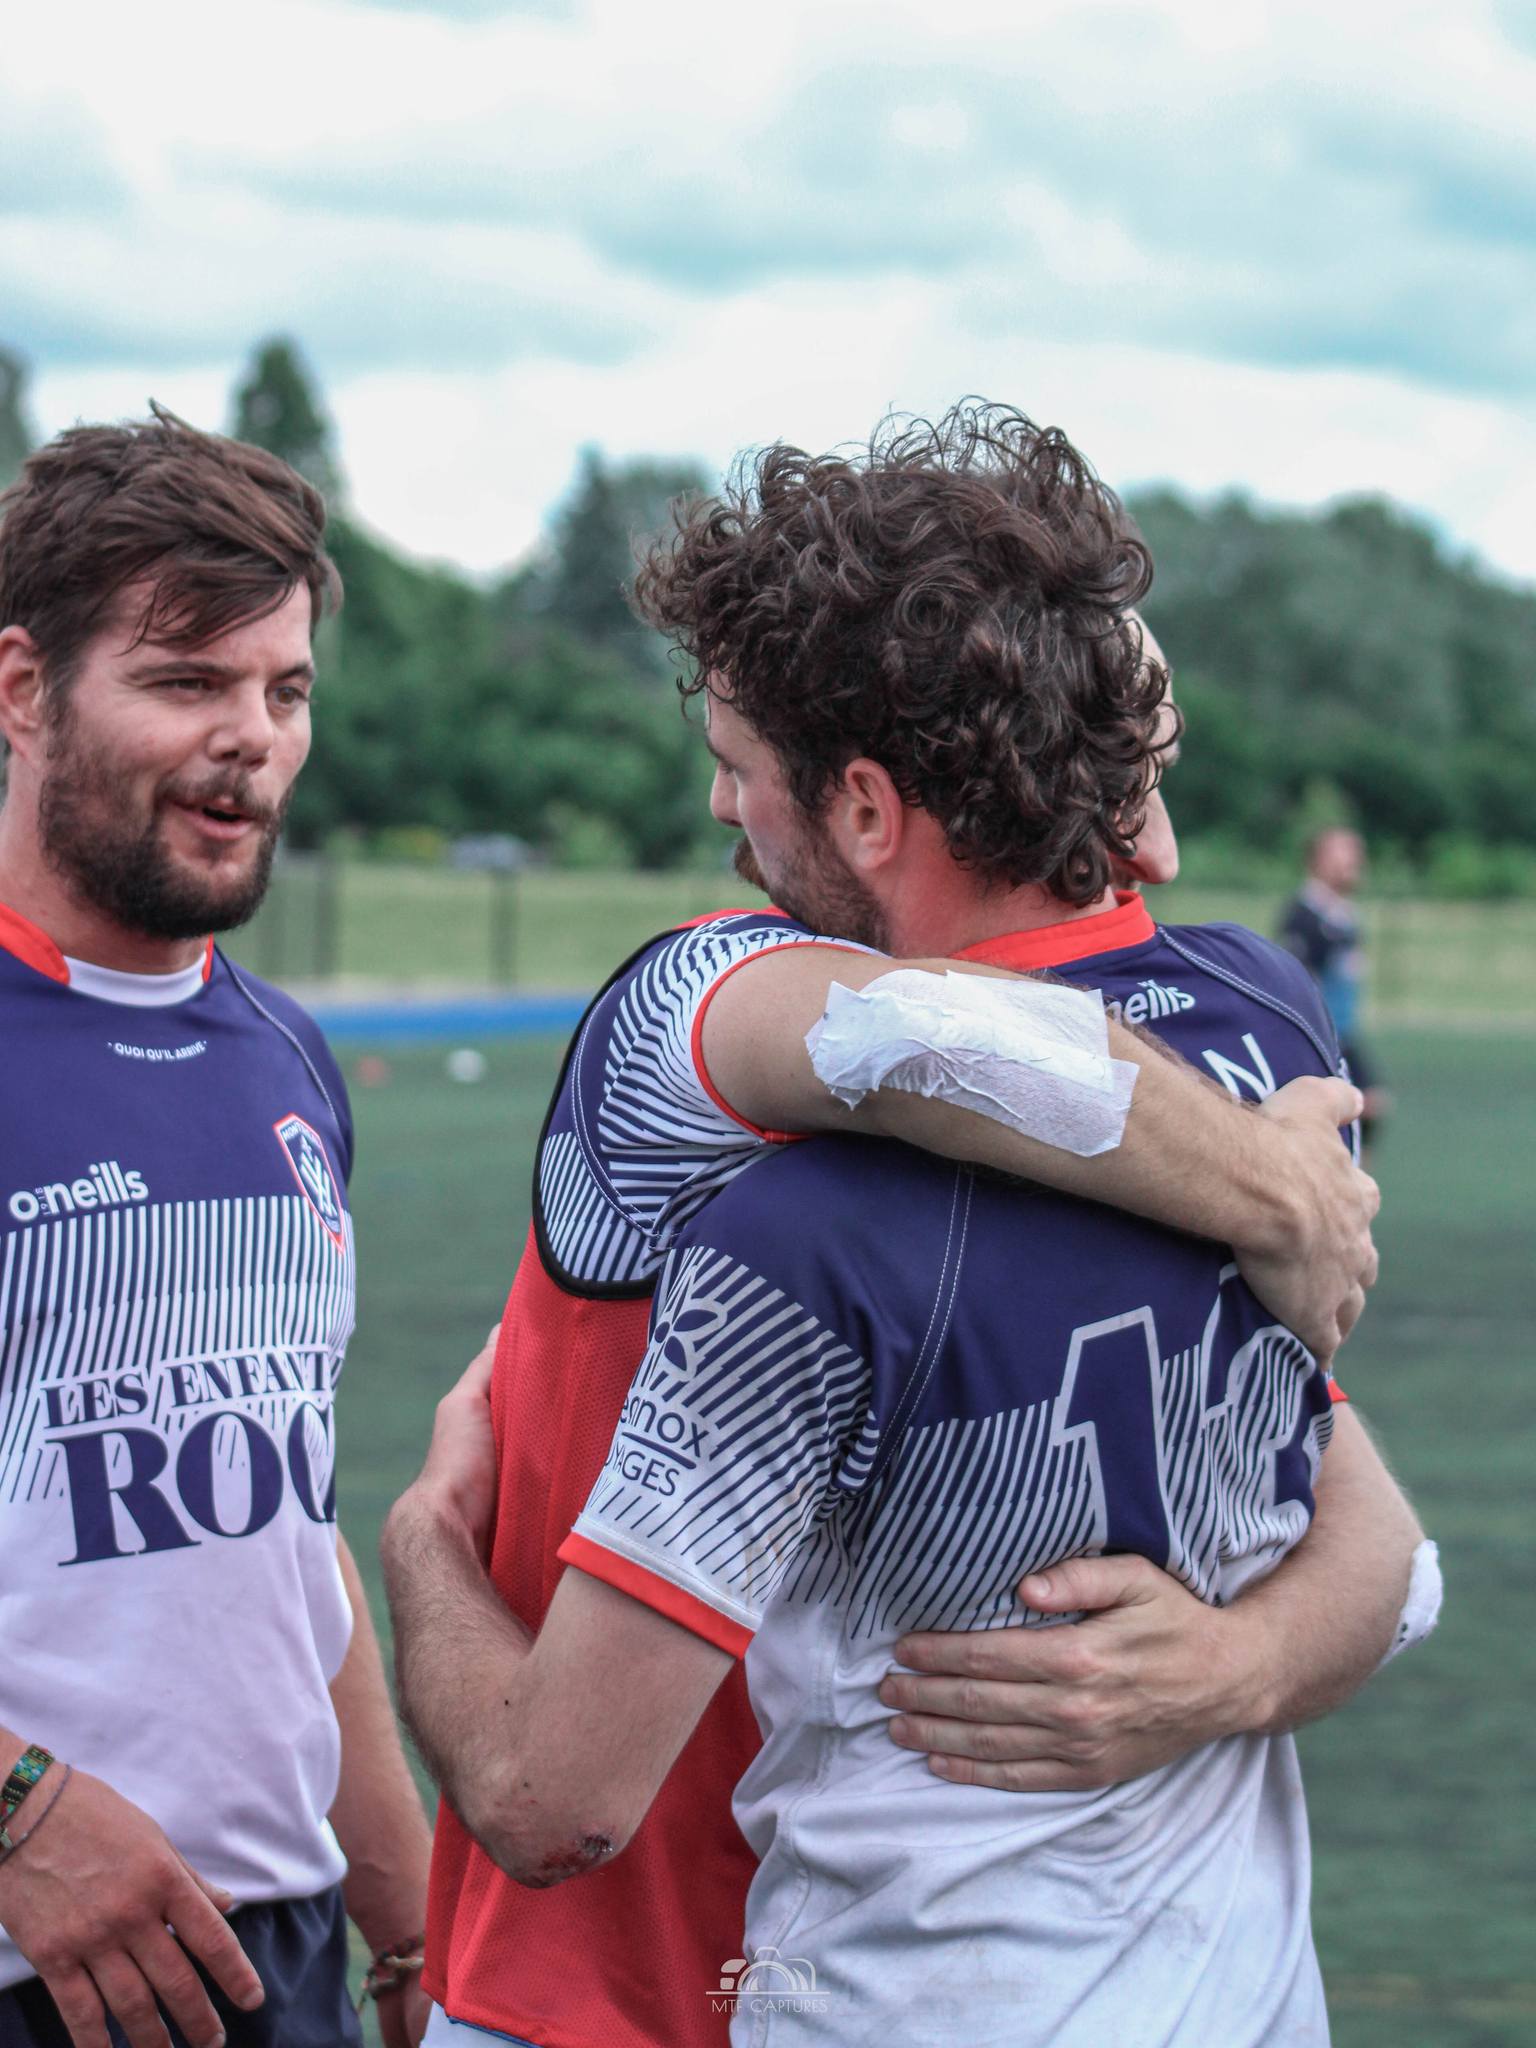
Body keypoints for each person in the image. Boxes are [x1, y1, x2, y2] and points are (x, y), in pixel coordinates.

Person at [383, 408, 1427, 2048]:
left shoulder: (783, 1187)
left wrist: (420, 1548)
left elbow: (548, 1797)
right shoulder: (1260, 1034)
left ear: (866, 807)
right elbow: (1383, 1553)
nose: (720, 806)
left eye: (741, 763)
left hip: (665, 1973)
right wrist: (1274, 1175)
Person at [0, 412, 431, 2048]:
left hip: (277, 1959)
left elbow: (284, 1538)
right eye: (188, 681)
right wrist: (22, 1815)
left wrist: (406, 1928)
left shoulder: (285, 1058)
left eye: (285, 689)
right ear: (25, 690)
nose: (251, 736)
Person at [1281, 827, 1390, 1151]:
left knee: (1367, 1107)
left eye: (1355, 853)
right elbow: (1296, 977)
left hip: (1344, 1032)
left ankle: (1350, 1174)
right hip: (1322, 1033)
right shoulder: (1304, 916)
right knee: (1355, 1107)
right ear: (1316, 860)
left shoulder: (1344, 914)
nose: (1352, 861)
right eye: (1341, 853)